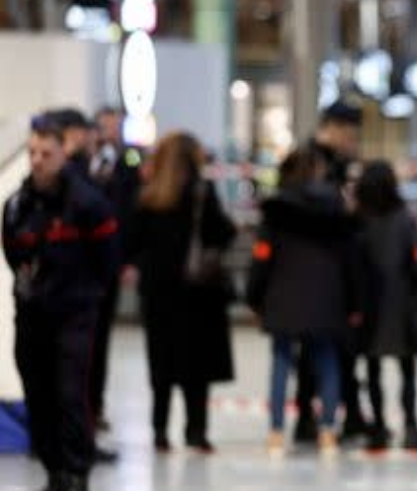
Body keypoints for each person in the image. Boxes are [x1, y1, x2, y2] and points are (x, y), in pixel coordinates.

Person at [2, 114, 118, 491]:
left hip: (74, 314)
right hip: (32, 314)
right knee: (40, 396)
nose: (36, 160)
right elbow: (14, 253)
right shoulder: (18, 204)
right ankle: (54, 477)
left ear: (62, 155)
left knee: (71, 396)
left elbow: (107, 259)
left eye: (45, 153)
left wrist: (85, 294)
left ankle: (77, 481)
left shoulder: (87, 203)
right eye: (32, 152)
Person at [247, 149, 362, 455]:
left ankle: (275, 432)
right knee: (327, 361)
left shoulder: (278, 208)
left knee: (281, 361)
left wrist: (254, 297)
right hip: (327, 294)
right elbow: (349, 258)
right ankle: (327, 430)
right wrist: (354, 301)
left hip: (283, 292)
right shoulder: (336, 208)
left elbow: (262, 256)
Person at [128, 132, 236, 453]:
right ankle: (196, 430)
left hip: (159, 295)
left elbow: (132, 243)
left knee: (161, 363)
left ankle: (160, 431)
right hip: (197, 293)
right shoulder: (201, 193)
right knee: (196, 368)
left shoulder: (148, 198)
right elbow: (223, 233)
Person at [294, 100, 367, 443]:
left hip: (340, 269)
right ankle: (308, 417)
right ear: (335, 129)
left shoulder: (340, 164)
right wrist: (343, 207)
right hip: (315, 268)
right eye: (350, 136)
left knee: (343, 347)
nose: (353, 143)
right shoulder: (310, 161)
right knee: (313, 349)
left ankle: (349, 414)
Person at [354, 161, 417, 450]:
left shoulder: (360, 220)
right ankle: (410, 425)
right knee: (407, 367)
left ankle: (378, 426)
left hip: (370, 303)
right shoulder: (404, 218)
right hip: (401, 301)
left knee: (373, 368)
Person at [87, 106, 141, 433]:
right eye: (104, 126)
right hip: (83, 264)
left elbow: (132, 213)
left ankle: (96, 405)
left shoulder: (128, 163)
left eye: (115, 126)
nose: (109, 132)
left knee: (102, 337)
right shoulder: (83, 168)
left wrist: (130, 260)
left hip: (110, 261)